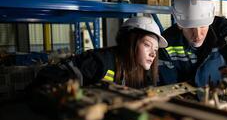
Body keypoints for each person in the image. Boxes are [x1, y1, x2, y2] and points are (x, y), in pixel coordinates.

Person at [35, 16, 168, 89]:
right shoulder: (100, 61)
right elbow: (48, 77)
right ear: (130, 43)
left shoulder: (143, 72)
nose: (153, 54)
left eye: (155, 50)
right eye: (147, 45)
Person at [159, 0, 227, 87]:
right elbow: (169, 86)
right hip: (185, 98)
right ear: (179, 25)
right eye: (191, 27)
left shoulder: (222, 28)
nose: (198, 35)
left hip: (220, 92)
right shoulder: (166, 42)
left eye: (203, 26)